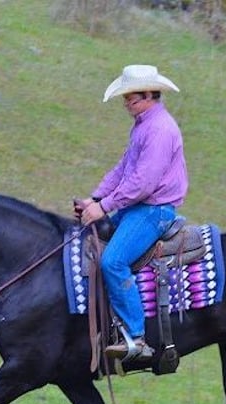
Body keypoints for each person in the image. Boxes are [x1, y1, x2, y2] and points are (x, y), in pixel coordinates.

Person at [76, 64, 189, 361]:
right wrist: (96, 197)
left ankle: (135, 337)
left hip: (154, 210)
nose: (126, 102)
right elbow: (123, 169)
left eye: (131, 97)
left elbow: (143, 183)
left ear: (151, 94)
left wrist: (104, 206)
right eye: (125, 97)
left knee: (113, 260)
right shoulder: (143, 124)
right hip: (138, 207)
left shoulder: (160, 129)